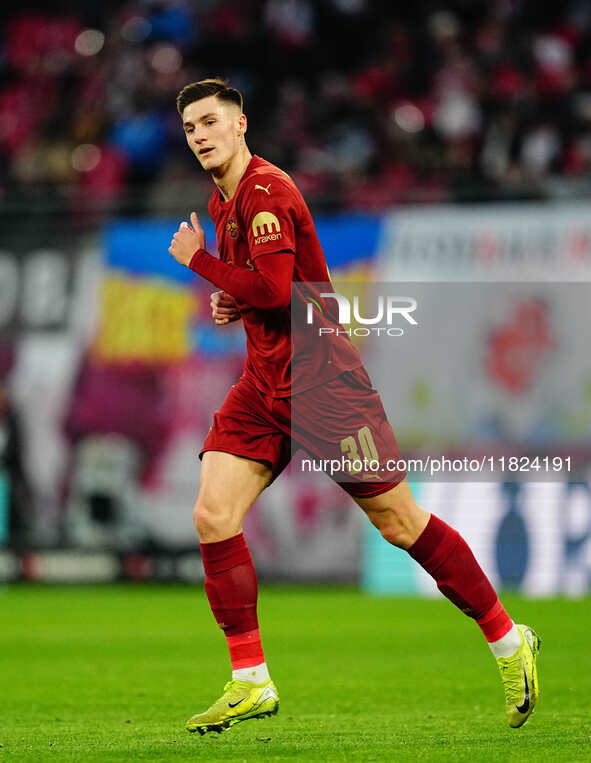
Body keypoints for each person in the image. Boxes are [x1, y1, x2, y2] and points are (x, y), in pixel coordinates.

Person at [168, 78, 541, 736]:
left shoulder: (264, 192)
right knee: (211, 513)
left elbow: (277, 289)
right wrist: (228, 299)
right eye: (190, 127)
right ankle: (250, 677)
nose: (199, 134)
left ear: (240, 124)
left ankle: (510, 640)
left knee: (399, 523)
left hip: (322, 387)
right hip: (264, 385)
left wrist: (201, 263)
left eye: (209, 122)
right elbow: (255, 290)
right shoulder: (223, 201)